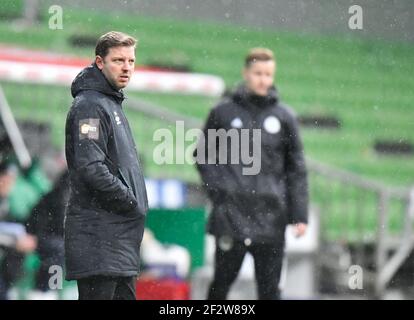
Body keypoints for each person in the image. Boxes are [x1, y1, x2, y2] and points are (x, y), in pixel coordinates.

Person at [195, 48, 309, 300]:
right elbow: (203, 155)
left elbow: (296, 169)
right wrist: (219, 191)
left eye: (268, 74)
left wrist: (300, 215)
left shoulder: (284, 117)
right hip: (231, 216)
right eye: (258, 73)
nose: (263, 80)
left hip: (271, 217)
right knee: (221, 285)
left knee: (269, 290)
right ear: (245, 73)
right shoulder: (223, 113)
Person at [65, 31, 148, 300]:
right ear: (100, 62)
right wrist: (130, 202)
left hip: (117, 242)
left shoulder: (110, 102)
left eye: (131, 61)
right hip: (99, 239)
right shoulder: (90, 105)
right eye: (118, 60)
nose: (126, 67)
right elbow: (91, 167)